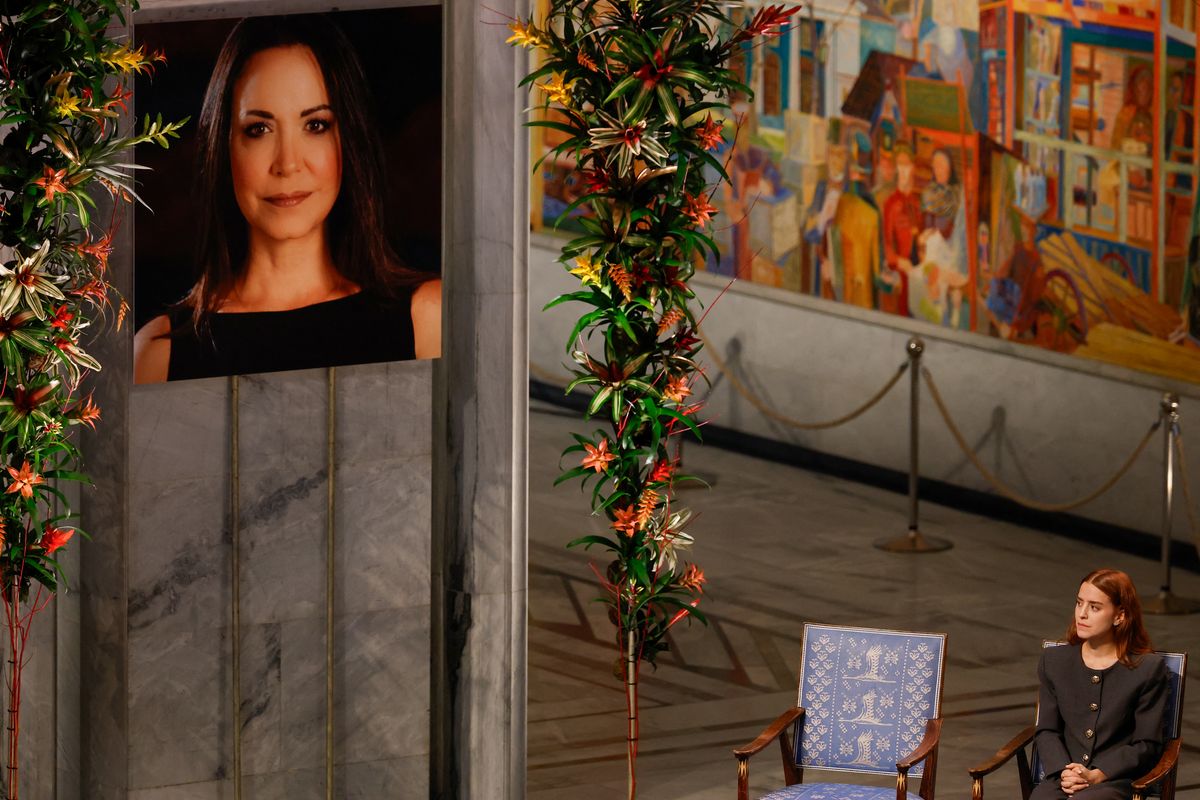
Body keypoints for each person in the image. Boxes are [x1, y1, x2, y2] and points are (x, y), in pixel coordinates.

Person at [134, 15, 440, 383]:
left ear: (347, 140)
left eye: (315, 125)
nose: (288, 164)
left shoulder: (427, 318)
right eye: (259, 129)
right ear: (224, 148)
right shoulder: (158, 354)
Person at [1032, 568, 1169, 799]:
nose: (1082, 614)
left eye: (1094, 607)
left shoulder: (1146, 669)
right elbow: (1047, 729)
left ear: (1120, 615)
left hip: (1115, 781)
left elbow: (1147, 744)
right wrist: (1065, 771)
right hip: (1065, 777)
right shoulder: (1054, 661)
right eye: (1079, 603)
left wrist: (1099, 774)